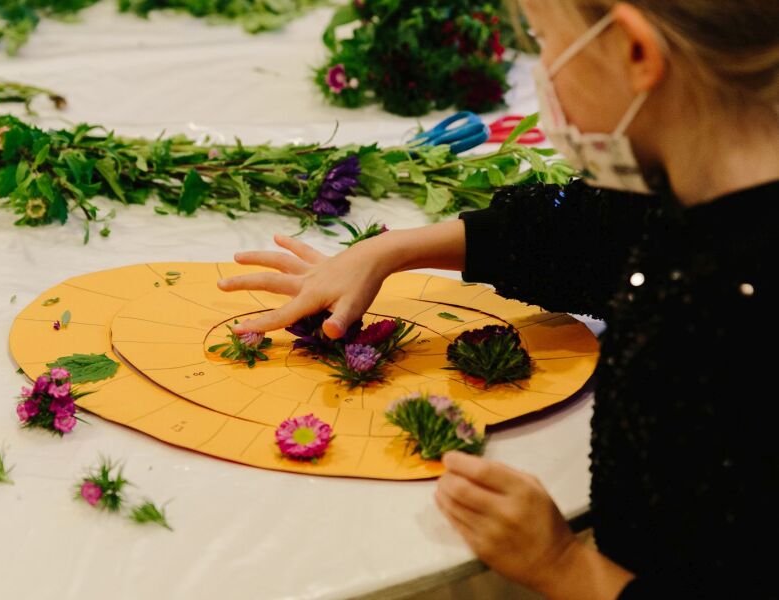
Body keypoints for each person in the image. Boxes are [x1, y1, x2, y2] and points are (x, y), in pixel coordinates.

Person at [218, 1, 779, 597]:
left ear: (634, 50)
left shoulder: (728, 317)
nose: (541, 69)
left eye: (544, 39)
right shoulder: (702, 182)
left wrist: (563, 566)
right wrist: (392, 251)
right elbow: (601, 233)